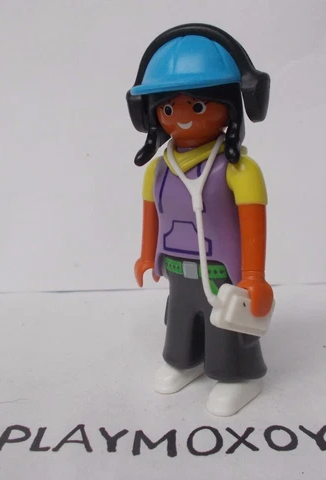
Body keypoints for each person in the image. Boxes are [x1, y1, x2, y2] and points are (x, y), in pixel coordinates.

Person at [127, 24, 273, 416]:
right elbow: (151, 216)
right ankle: (184, 360)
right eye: (168, 108)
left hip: (222, 272)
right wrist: (145, 255)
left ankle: (239, 376)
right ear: (150, 113)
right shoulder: (158, 170)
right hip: (177, 266)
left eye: (197, 106)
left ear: (232, 104)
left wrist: (254, 276)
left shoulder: (239, 170)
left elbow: (254, 226)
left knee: (227, 326)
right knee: (180, 319)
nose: (183, 118)